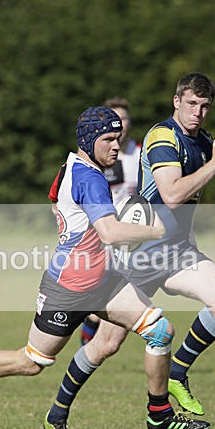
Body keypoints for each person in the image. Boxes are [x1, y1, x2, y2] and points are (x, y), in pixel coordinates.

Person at [0, 107, 210, 429]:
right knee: (31, 362)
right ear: (89, 140)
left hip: (104, 281)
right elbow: (111, 233)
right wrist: (156, 232)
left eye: (119, 139)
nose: (117, 146)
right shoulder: (89, 178)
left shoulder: (72, 165)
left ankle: (158, 414)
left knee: (160, 331)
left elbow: (56, 201)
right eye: (109, 140)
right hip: (68, 289)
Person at [44, 72, 215, 429]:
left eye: (205, 106)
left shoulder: (204, 142)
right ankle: (57, 412)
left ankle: (176, 374)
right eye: (192, 104)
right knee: (105, 344)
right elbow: (172, 195)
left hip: (178, 253)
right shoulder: (163, 137)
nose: (198, 112)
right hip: (139, 256)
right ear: (176, 101)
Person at [80, 97, 143, 346]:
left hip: (131, 237)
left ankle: (89, 348)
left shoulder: (141, 154)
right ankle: (87, 347)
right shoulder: (95, 156)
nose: (121, 125)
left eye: (124, 119)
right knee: (101, 297)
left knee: (109, 298)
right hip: (101, 233)